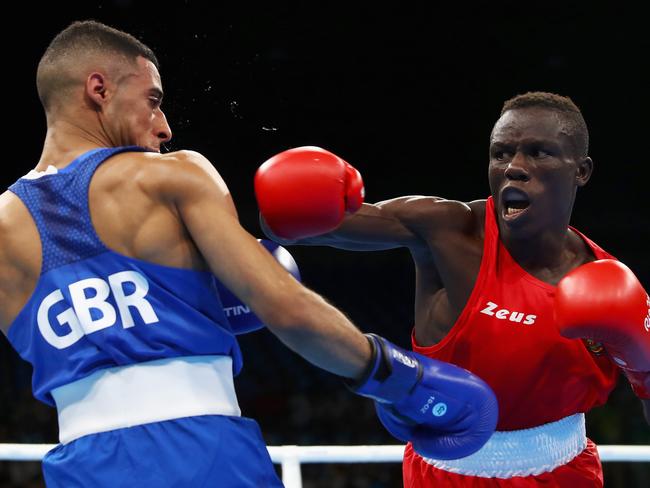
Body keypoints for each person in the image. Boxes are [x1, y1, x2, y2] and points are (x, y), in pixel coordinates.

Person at [0, 20, 499, 487]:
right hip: (203, 454)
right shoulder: (170, 175)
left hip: (79, 468)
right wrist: (396, 376)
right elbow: (286, 308)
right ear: (99, 89)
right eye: (152, 100)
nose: (164, 125)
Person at [256, 93, 650, 486]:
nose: (514, 167)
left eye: (538, 153)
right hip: (444, 474)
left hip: (566, 474)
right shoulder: (449, 231)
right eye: (501, 153)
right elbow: (303, 225)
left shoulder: (609, 281)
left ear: (581, 171)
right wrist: (287, 205)